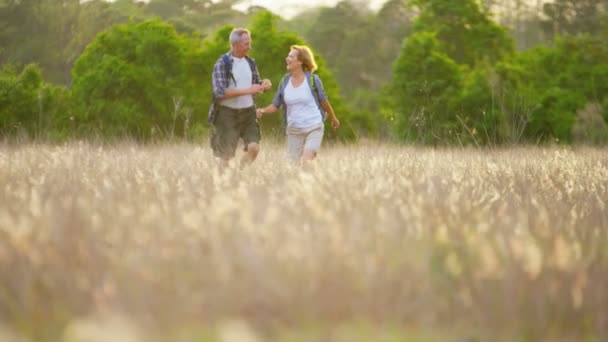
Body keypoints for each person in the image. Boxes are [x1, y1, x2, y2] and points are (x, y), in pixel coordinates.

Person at [256, 45, 340, 164]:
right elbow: (276, 105)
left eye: (291, 56)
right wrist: (263, 110)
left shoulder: (312, 80)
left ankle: (310, 181)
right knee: (292, 166)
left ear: (300, 61)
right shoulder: (285, 81)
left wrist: (333, 117)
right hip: (294, 130)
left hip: (314, 127)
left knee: (307, 161)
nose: (287, 58)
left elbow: (323, 100)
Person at [208, 28, 272, 168]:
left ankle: (241, 172)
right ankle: (222, 183)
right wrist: (248, 90)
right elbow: (219, 92)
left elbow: (255, 83)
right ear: (235, 44)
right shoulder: (223, 63)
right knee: (226, 157)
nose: (250, 46)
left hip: (248, 113)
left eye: (250, 43)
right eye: (246, 44)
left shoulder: (250, 62)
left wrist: (263, 84)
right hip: (227, 114)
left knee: (254, 148)